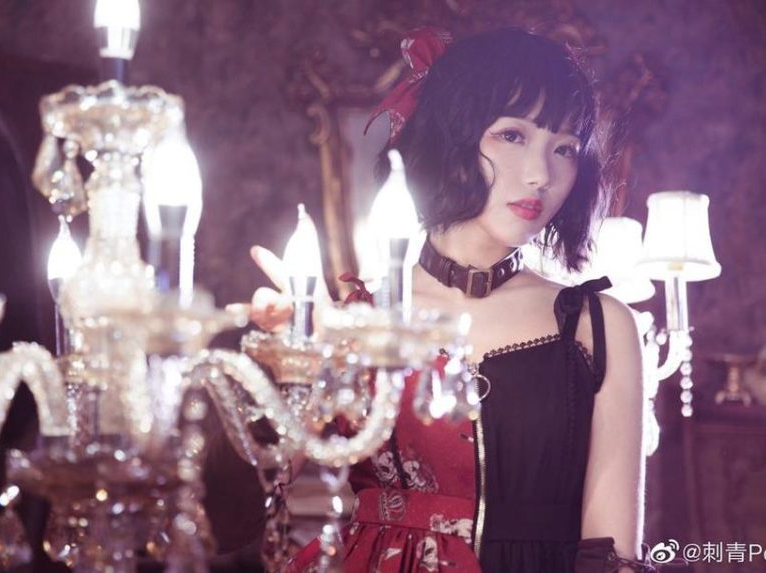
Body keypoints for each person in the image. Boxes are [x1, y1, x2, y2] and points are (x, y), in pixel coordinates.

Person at [248, 27, 654, 573]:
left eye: (564, 149)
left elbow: (613, 554)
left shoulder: (597, 325)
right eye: (512, 135)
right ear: (453, 136)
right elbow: (252, 499)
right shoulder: (357, 323)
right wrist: (298, 364)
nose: (540, 175)